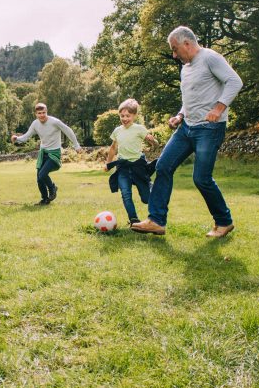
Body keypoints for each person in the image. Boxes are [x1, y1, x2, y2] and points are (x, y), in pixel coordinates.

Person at [131, 26, 243, 237]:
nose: (174, 55)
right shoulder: (186, 68)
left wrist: (219, 108)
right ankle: (156, 221)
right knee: (163, 166)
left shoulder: (210, 57)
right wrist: (180, 115)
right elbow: (190, 97)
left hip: (209, 129)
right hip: (187, 128)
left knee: (201, 178)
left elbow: (235, 81)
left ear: (186, 44)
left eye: (175, 49)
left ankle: (224, 221)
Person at [11, 103, 81, 205]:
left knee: (42, 174)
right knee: (39, 179)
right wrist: (17, 138)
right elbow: (26, 136)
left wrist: (76, 146)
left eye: (44, 112)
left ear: (46, 112)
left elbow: (68, 131)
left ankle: (52, 188)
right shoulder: (35, 124)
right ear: (36, 114)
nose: (42, 115)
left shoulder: (55, 122)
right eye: (39, 113)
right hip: (43, 153)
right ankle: (45, 200)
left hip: (54, 153)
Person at [104, 98, 158, 225]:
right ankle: (133, 219)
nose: (124, 118)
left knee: (146, 199)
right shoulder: (117, 131)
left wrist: (152, 140)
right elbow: (113, 148)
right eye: (122, 115)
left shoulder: (139, 129)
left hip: (138, 166)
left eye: (128, 116)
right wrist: (108, 163)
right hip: (123, 167)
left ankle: (150, 186)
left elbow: (155, 143)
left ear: (134, 115)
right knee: (126, 194)